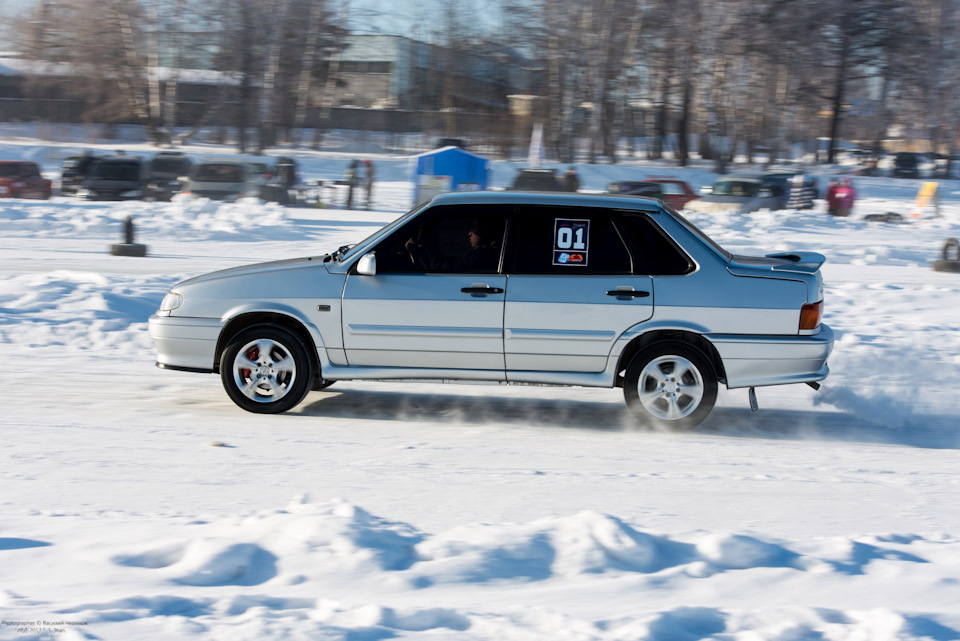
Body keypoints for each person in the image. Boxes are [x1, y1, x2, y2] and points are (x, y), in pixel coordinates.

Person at [404, 219, 499, 272]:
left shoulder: (482, 257)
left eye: (474, 229)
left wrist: (422, 250)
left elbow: (441, 268)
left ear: (485, 232)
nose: (469, 233)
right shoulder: (486, 253)